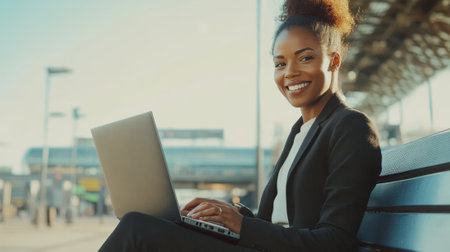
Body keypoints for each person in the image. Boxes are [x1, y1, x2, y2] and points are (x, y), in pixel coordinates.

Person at [99, 0, 381, 251]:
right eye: (280, 63)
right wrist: (231, 214)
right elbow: (275, 222)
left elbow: (335, 241)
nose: (290, 72)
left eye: (305, 57)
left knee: (138, 229)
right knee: (147, 221)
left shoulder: (351, 127)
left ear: (334, 60)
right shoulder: (300, 132)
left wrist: (242, 226)